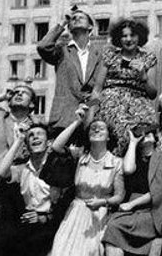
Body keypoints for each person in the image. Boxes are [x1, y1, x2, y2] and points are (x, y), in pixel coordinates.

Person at [0, 123, 68, 256]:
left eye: (39, 134)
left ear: (48, 143)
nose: (35, 137)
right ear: (27, 145)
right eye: (31, 135)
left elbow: (64, 203)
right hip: (27, 223)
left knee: (29, 243)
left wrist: (44, 218)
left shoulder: (57, 167)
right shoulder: (22, 169)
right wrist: (19, 140)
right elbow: (1, 172)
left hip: (51, 222)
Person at [50, 105, 126, 256]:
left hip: (100, 215)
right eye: (93, 128)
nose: (96, 130)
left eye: (101, 128)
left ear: (109, 136)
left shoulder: (117, 162)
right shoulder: (80, 156)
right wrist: (77, 121)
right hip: (75, 213)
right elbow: (56, 146)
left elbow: (119, 196)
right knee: (61, 249)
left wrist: (102, 202)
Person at [93, 18, 158, 156]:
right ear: (119, 38)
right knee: (124, 134)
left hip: (139, 103)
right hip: (111, 102)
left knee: (148, 135)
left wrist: (143, 76)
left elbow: (153, 94)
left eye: (132, 35)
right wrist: (89, 108)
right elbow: (97, 90)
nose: (128, 39)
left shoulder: (148, 58)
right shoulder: (110, 56)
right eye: (124, 36)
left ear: (139, 36)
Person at [37, 7, 103, 132]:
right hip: (63, 118)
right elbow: (43, 47)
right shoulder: (62, 50)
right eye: (73, 18)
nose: (76, 18)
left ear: (90, 27)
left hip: (92, 118)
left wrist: (88, 106)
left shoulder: (99, 53)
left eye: (81, 17)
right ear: (69, 27)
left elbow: (101, 89)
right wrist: (63, 22)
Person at [103, 127, 162, 256]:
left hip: (151, 208)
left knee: (116, 225)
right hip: (130, 210)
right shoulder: (135, 159)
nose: (145, 134)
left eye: (149, 132)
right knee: (112, 227)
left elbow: (158, 189)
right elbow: (128, 169)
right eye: (142, 133)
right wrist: (133, 142)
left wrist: (131, 204)